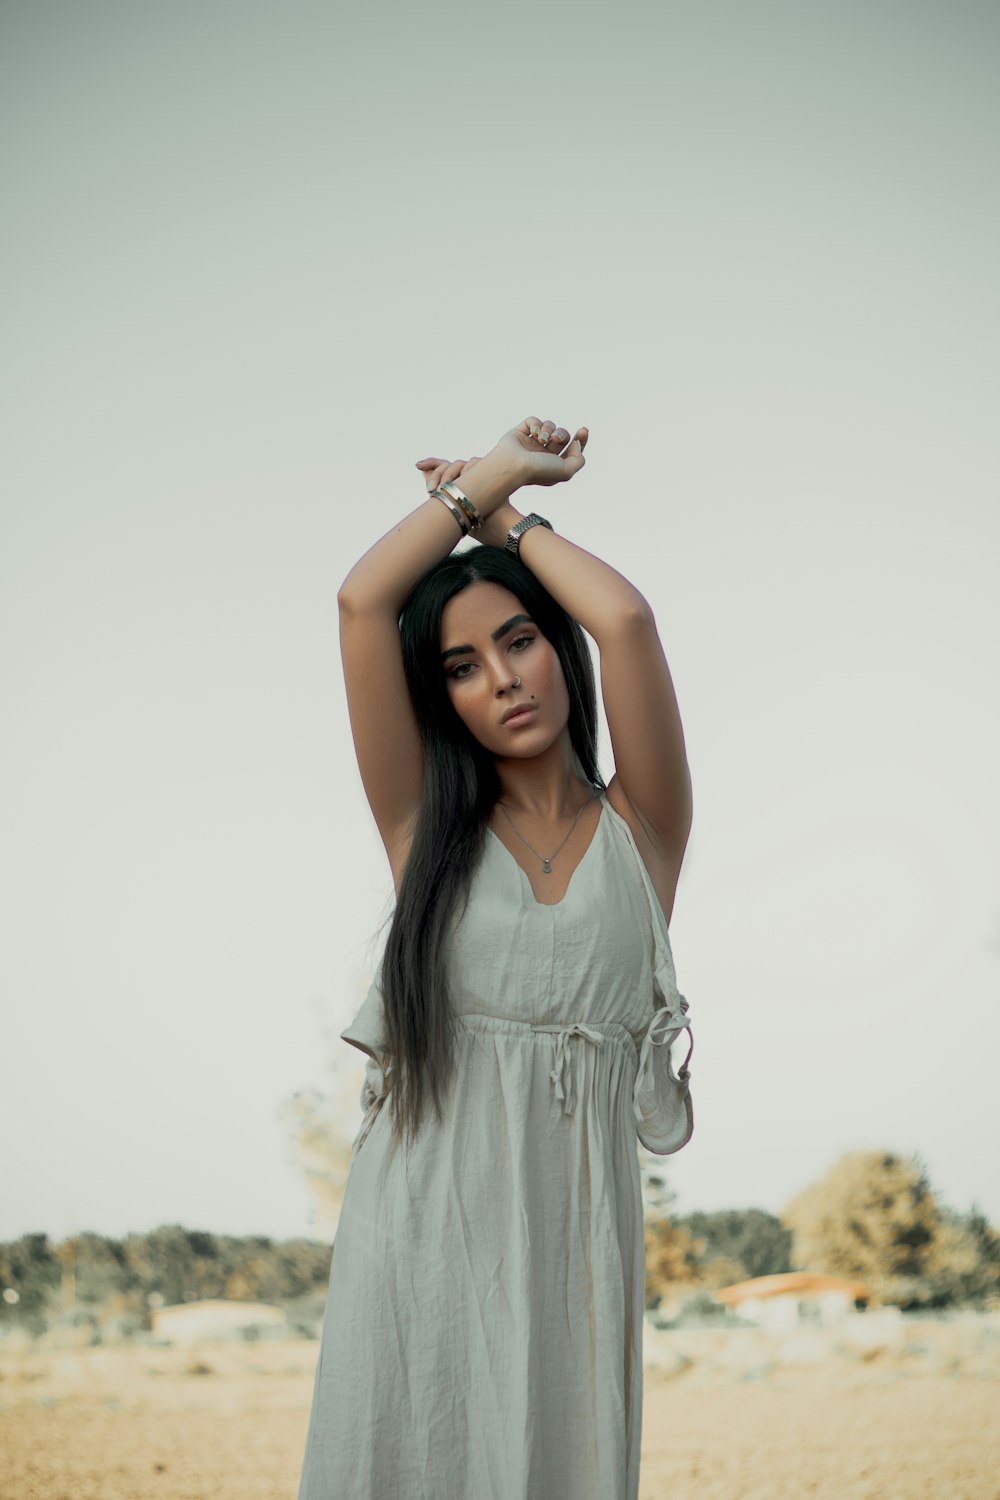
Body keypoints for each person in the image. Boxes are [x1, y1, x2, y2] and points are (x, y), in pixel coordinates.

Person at [296, 415, 695, 1500]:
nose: (502, 682)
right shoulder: (425, 833)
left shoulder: (641, 830)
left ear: (552, 648)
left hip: (576, 1245)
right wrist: (478, 483)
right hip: (422, 1229)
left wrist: (510, 517)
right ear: (444, 701)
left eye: (518, 641)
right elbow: (360, 604)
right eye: (462, 668)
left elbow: (625, 617)